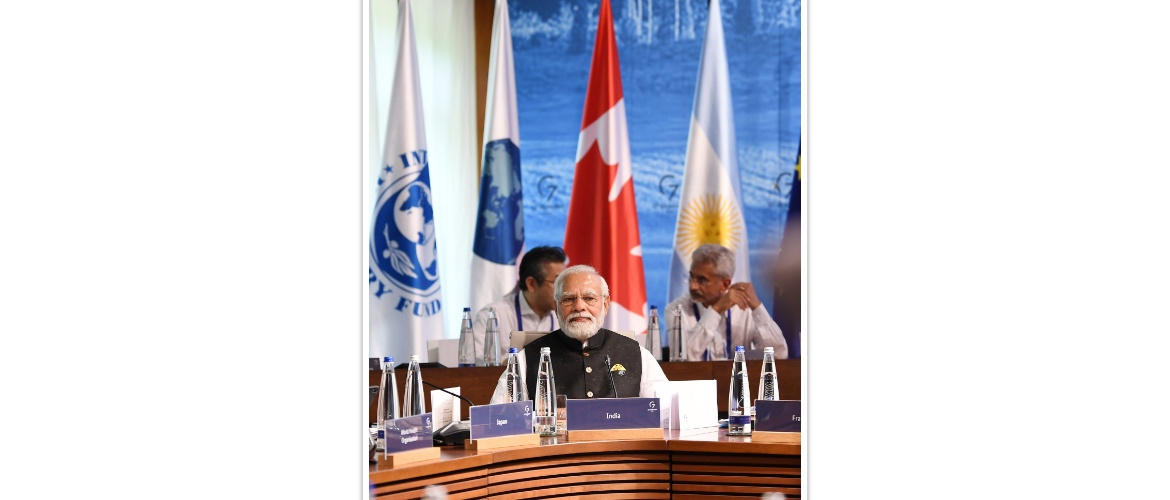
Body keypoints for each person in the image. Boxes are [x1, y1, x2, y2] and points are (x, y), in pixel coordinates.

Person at [489, 265, 669, 403]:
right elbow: (501, 417)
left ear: (605, 304)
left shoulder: (637, 354)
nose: (579, 307)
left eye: (589, 298)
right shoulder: (526, 358)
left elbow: (664, 413)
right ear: (556, 306)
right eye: (568, 299)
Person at [666, 244, 788, 361]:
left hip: (739, 380)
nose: (693, 286)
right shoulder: (676, 310)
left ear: (725, 284)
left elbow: (779, 354)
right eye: (691, 277)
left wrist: (757, 307)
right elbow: (683, 357)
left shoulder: (744, 310)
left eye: (702, 280)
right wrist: (716, 310)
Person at [473, 246, 567, 365]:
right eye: (557, 282)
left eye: (564, 282)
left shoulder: (565, 316)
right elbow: (474, 362)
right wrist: (507, 363)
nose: (563, 290)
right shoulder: (494, 315)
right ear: (532, 284)